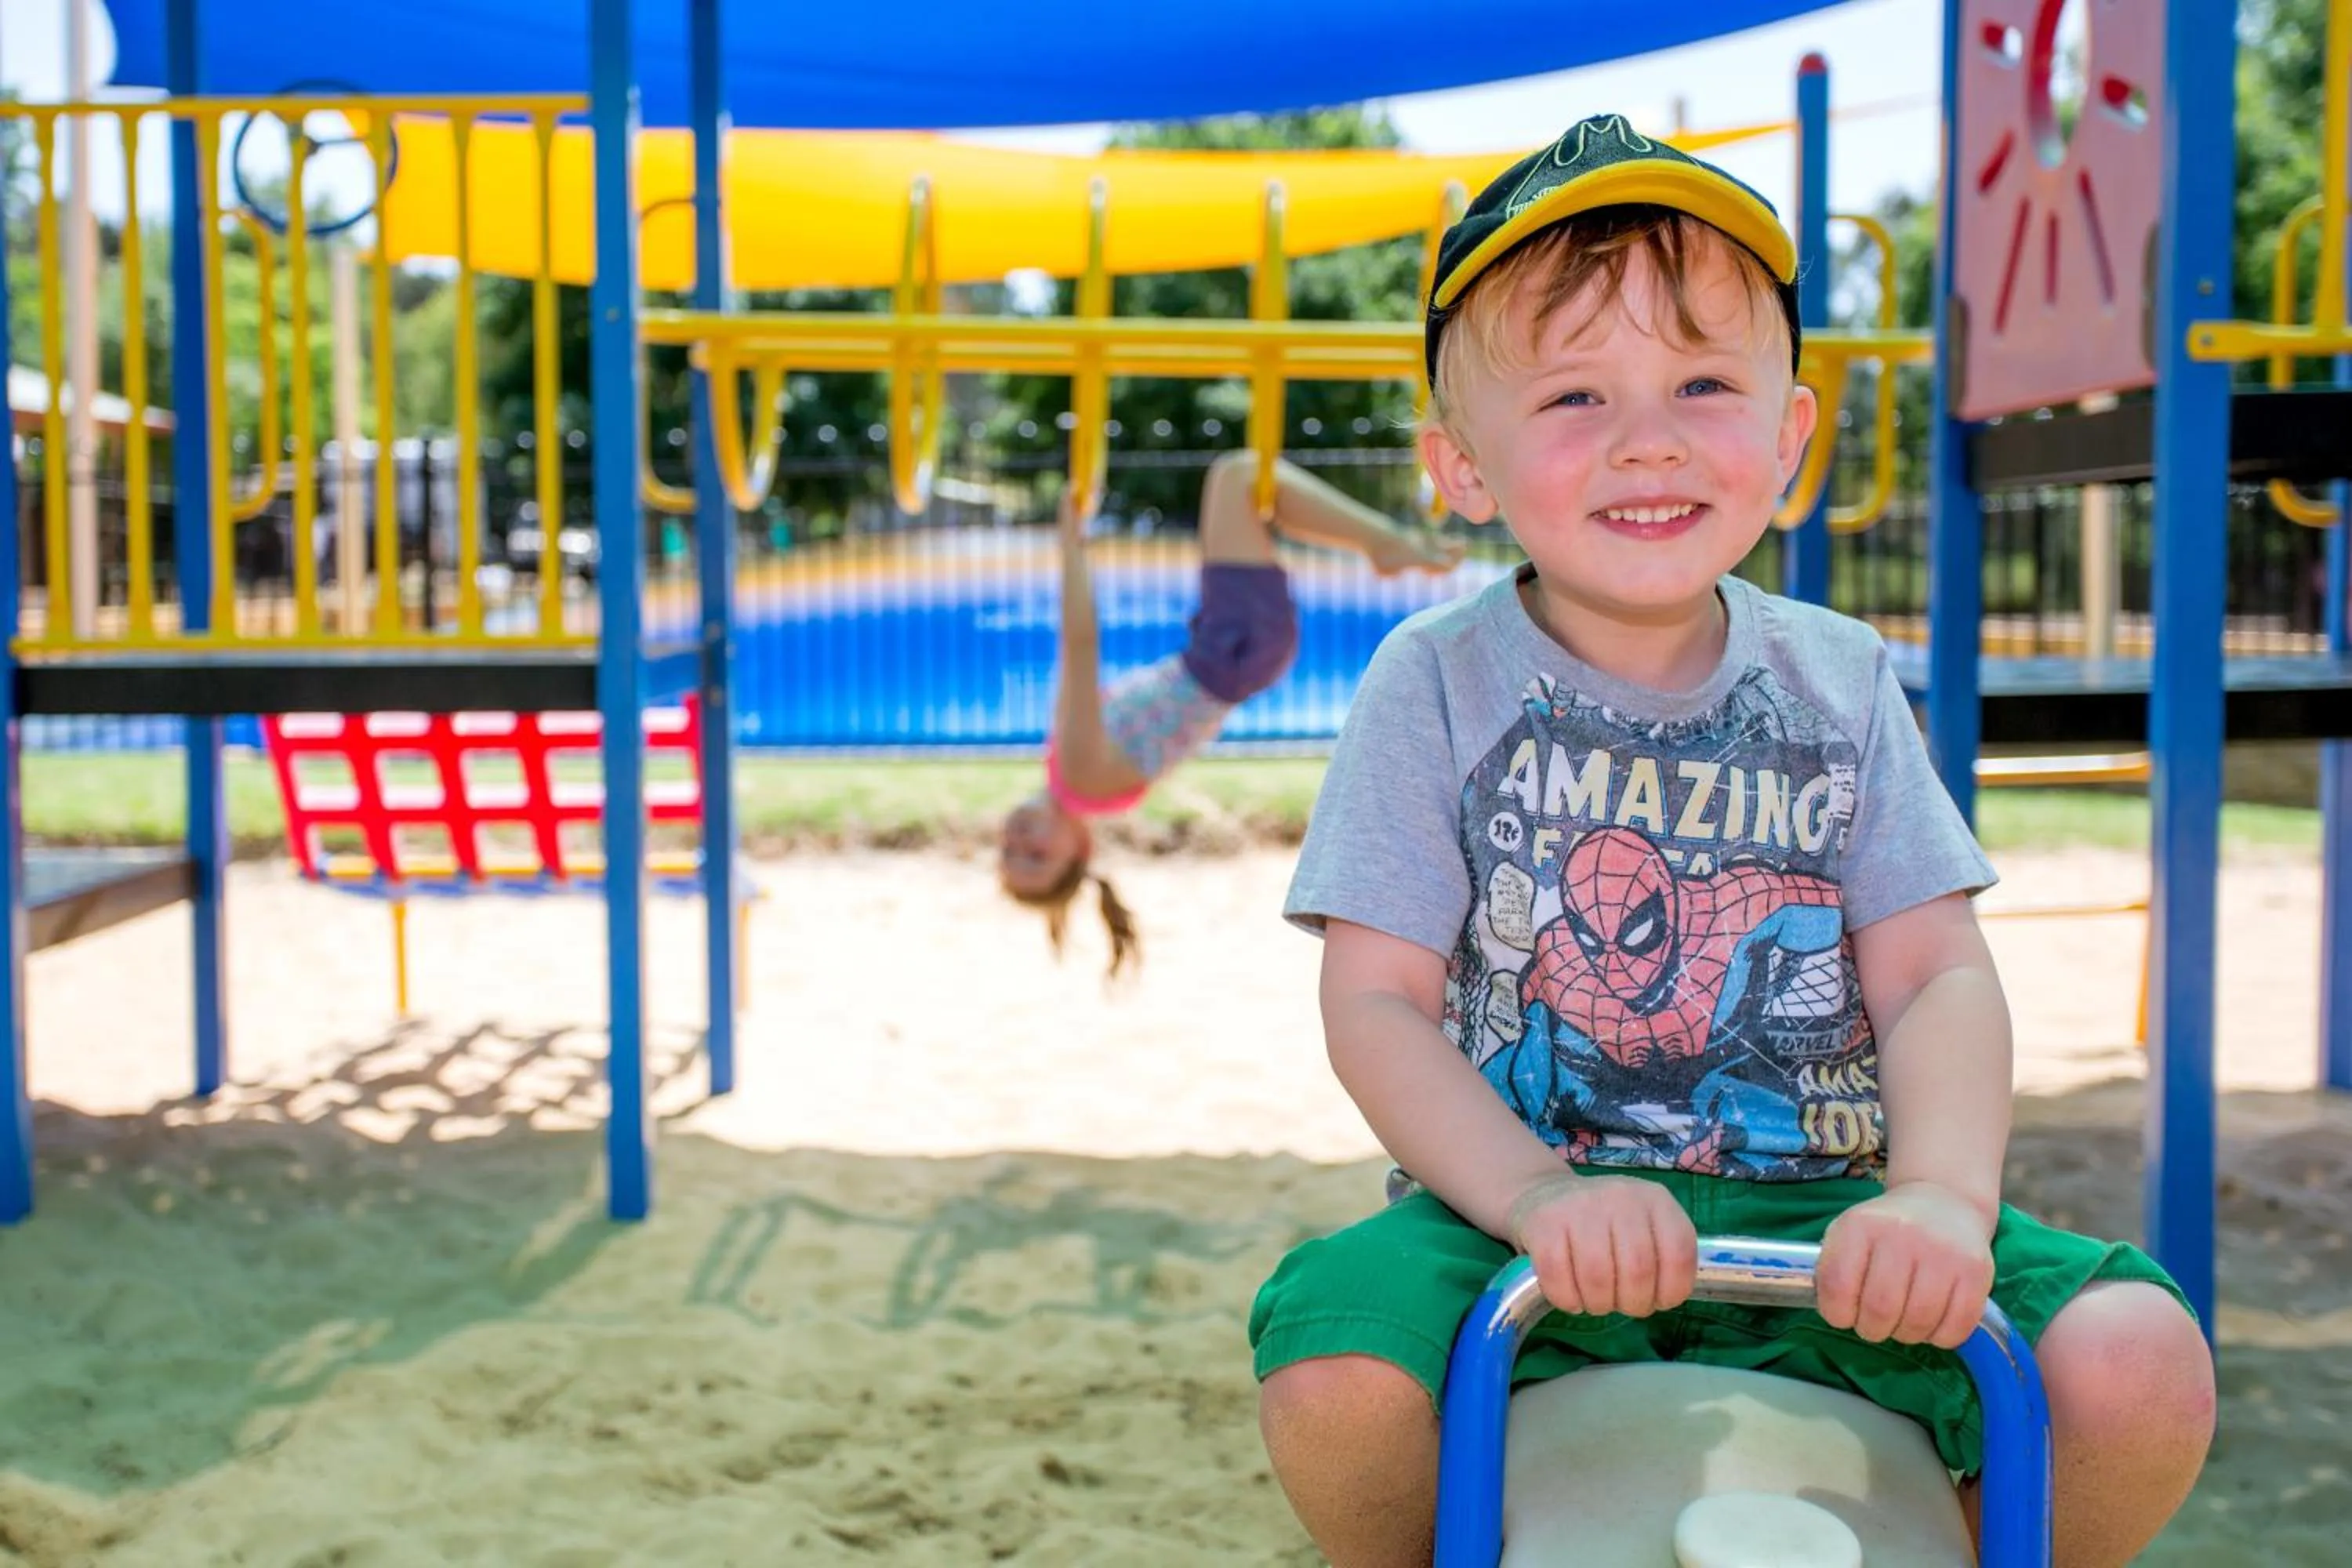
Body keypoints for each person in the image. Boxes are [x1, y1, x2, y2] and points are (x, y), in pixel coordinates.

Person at [1248, 114, 2215, 1567]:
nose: (1649, 437)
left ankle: (1953, 1538)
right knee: (1334, 1370)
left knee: (2138, 1361)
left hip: (1834, 1211)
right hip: (1530, 1213)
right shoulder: (1434, 684)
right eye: (1575, 396)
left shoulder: (1837, 679)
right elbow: (1375, 1003)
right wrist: (1534, 1196)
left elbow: (1934, 972)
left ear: (1791, 437)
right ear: (1460, 467)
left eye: (1704, 381)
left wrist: (1942, 1200)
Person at [996, 452, 1464, 976]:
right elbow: (1080, 645)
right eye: (1036, 857)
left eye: (1009, 852)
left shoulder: (1079, 781)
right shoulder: (1082, 777)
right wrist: (1070, 544)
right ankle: (1383, 543)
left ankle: (1382, 543)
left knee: (1243, 486)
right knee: (1236, 478)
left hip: (1228, 649)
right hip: (1232, 649)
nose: (1020, 841)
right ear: (1080, 851)